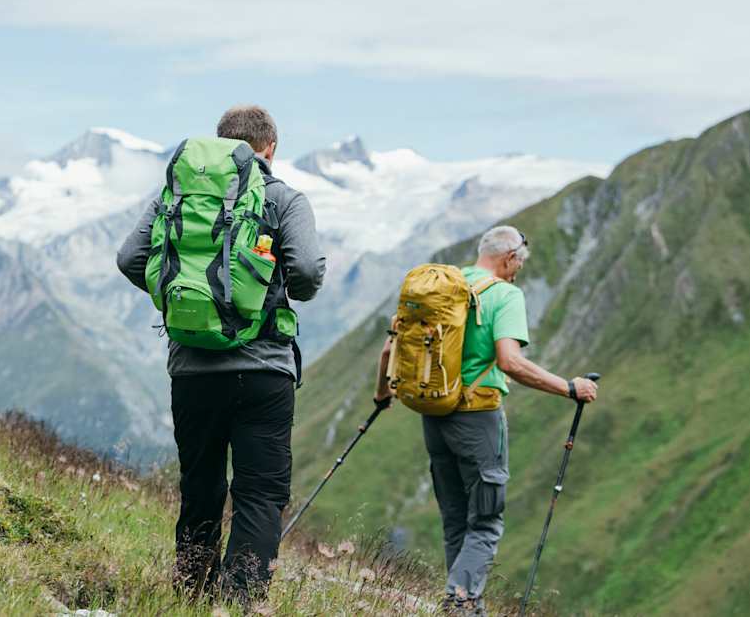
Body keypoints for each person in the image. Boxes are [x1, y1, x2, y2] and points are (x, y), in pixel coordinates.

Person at [116, 105, 326, 606]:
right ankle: (240, 602)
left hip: (191, 368)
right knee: (260, 492)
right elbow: (307, 276)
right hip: (263, 373)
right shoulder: (283, 198)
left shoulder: (177, 197)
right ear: (269, 147)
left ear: (223, 143)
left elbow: (130, 258)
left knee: (201, 486)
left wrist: (179, 301)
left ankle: (189, 595)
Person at [373, 225, 599, 616]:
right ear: (510, 258)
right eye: (519, 264)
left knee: (456, 521)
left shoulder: (444, 287)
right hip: (478, 418)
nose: (518, 272)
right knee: (487, 523)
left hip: (435, 414)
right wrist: (569, 387)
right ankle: (458, 605)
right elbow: (511, 362)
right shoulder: (505, 295)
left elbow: (389, 347)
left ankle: (465, 607)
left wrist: (382, 394)